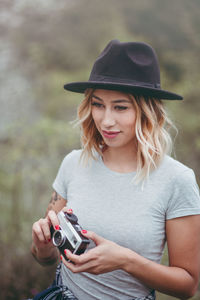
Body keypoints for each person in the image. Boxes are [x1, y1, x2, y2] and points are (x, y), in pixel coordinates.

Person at [30, 40, 200, 300]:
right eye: (98, 105)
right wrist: (43, 247)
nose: (106, 120)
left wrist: (125, 261)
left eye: (120, 107)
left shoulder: (177, 180)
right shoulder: (74, 163)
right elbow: (47, 257)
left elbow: (188, 286)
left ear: (147, 112)